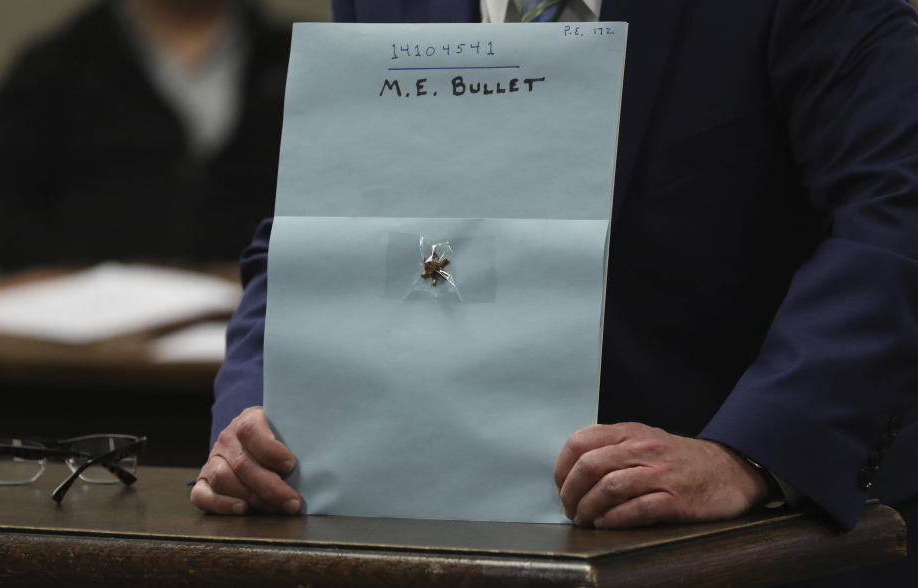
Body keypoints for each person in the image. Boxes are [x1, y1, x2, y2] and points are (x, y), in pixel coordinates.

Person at [193, 0, 918, 584]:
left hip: (750, 547)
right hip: (436, 535)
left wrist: (751, 456)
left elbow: (893, 214)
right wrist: (260, 408)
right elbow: (322, 222)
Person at [0, 0, 291, 270]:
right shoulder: (56, 66)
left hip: (261, 310)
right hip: (90, 325)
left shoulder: (294, 59)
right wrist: (76, 280)